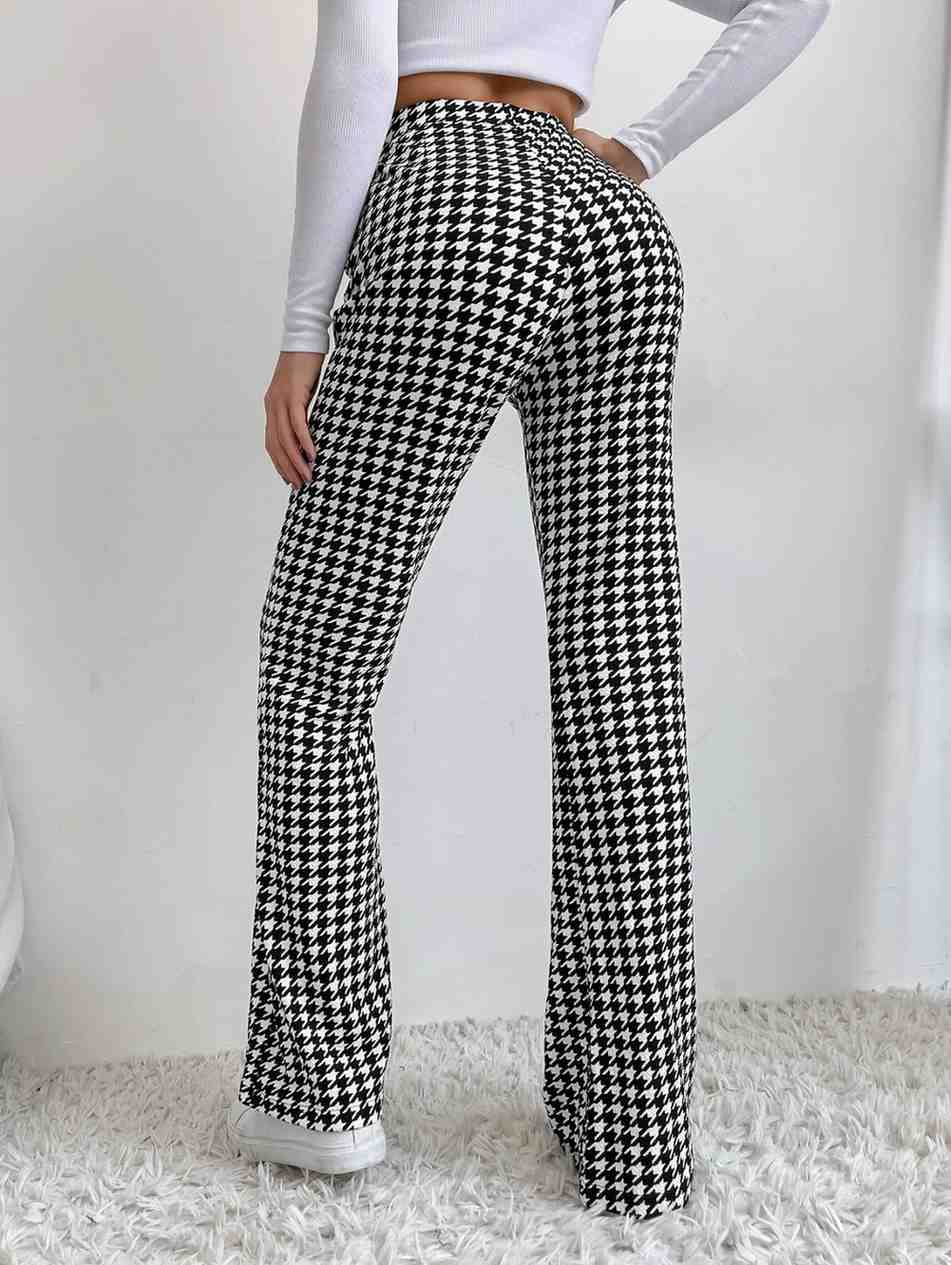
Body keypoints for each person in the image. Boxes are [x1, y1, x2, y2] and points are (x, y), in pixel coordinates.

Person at [227, 0, 832, 1220]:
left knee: (317, 666)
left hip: (451, 187)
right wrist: (643, 149)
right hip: (611, 223)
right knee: (623, 680)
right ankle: (633, 1127)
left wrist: (303, 327)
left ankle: (321, 1093)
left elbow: (358, 58)